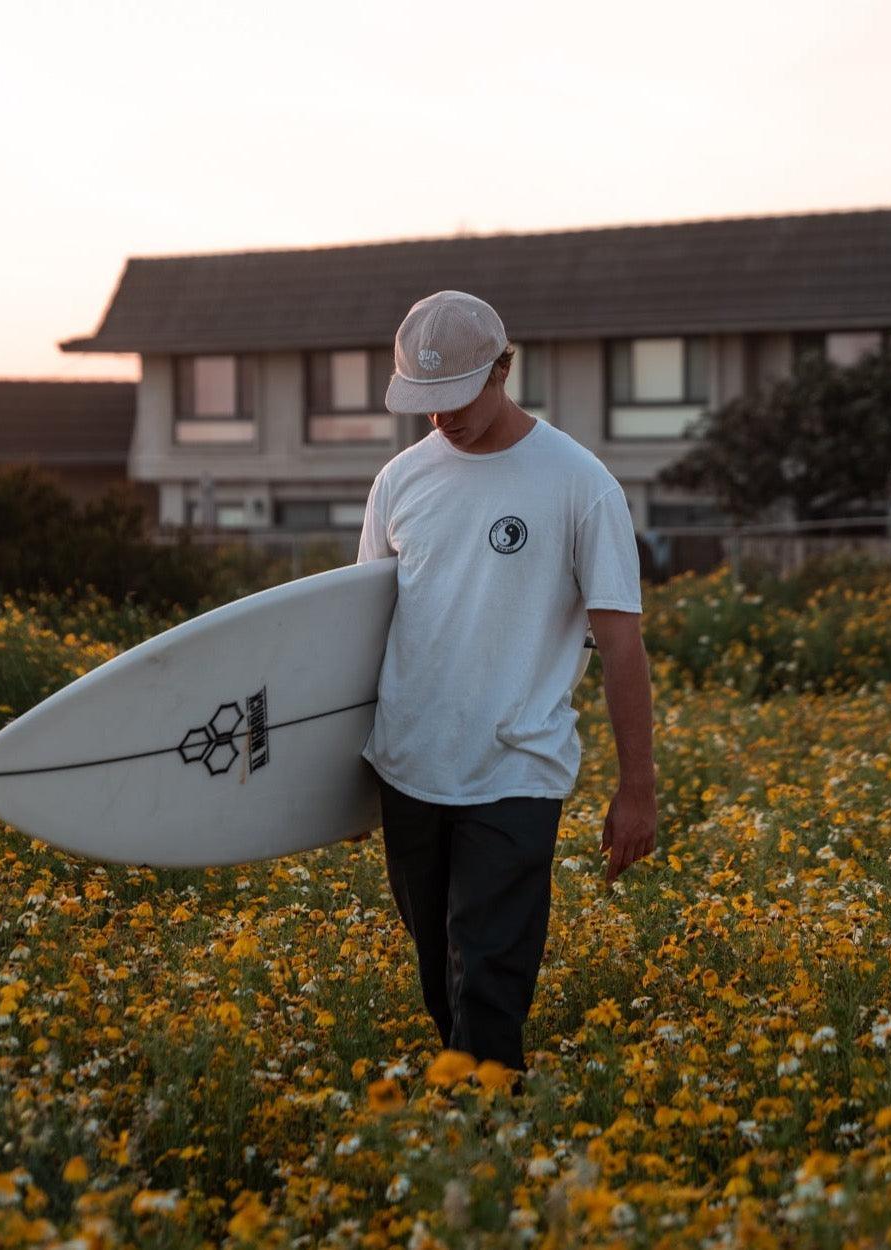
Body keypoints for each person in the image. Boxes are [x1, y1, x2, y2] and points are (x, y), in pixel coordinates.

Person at [352, 290, 657, 1087]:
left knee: (488, 966)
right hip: (407, 762)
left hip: (517, 768)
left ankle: (485, 1119)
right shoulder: (399, 482)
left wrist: (638, 788)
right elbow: (357, 632)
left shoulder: (577, 482)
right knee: (436, 970)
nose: (441, 419)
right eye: (425, 403)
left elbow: (622, 642)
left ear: (503, 370)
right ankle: (475, 1120)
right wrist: (338, 785)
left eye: (454, 399)